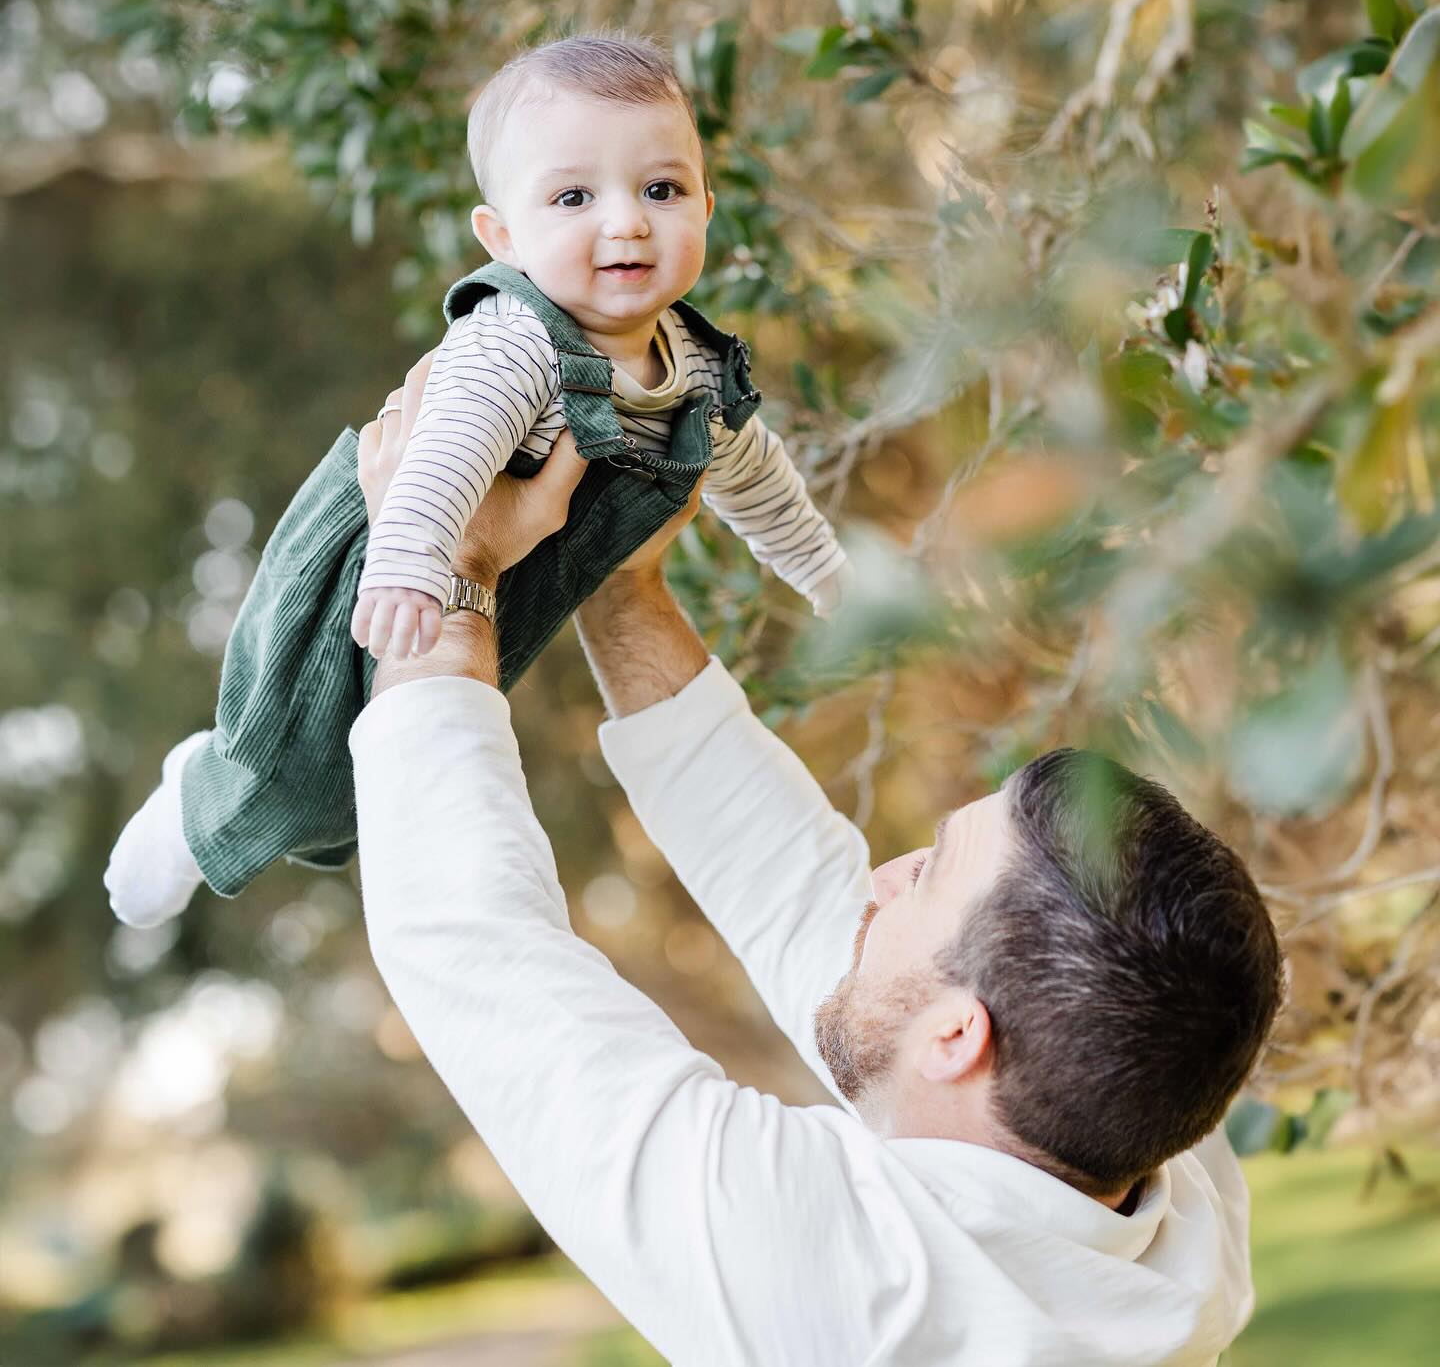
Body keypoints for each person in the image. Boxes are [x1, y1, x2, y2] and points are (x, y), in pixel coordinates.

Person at [352, 369, 1286, 1367]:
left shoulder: (850, 1292)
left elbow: (475, 950)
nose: (880, 877)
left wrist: (444, 578)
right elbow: (800, 895)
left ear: (960, 1037)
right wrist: (619, 577)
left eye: (924, 881)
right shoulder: (1152, 1143)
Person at [103, 33, 846, 928]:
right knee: (300, 769)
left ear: (705, 203)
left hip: (513, 579)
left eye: (662, 189)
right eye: (574, 196)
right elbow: (446, 452)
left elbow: (756, 479)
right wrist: (410, 562)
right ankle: (196, 797)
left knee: (379, 785)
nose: (627, 222)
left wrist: (827, 575)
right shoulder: (514, 342)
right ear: (504, 236)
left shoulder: (690, 360)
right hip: (389, 554)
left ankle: (223, 781)